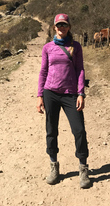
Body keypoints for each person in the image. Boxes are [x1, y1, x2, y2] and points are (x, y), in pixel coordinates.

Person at [36, 13, 91, 189]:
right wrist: (39, 96)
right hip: (50, 93)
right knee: (51, 130)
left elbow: (80, 70)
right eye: (58, 25)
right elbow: (43, 72)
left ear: (69, 27)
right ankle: (54, 166)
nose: (61, 28)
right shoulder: (47, 48)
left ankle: (83, 167)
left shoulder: (75, 46)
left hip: (71, 94)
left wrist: (81, 93)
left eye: (64, 25)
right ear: (54, 27)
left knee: (79, 130)